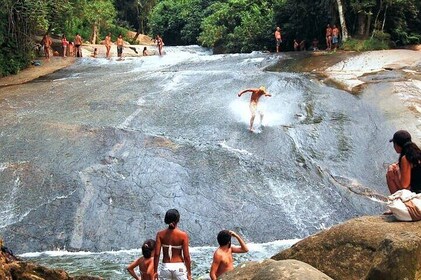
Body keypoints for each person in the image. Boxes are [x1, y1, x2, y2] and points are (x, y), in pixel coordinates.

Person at [153, 209, 192, 280]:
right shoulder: (183, 235)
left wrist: (155, 271)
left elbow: (157, 254)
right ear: (178, 219)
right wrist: (189, 273)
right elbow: (186, 256)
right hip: (179, 267)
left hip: (166, 266)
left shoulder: (160, 234)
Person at [386, 130, 421, 194]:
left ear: (397, 145)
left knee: (390, 175)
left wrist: (397, 170)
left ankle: (396, 199)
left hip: (416, 191)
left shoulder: (405, 158)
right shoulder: (417, 152)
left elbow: (405, 185)